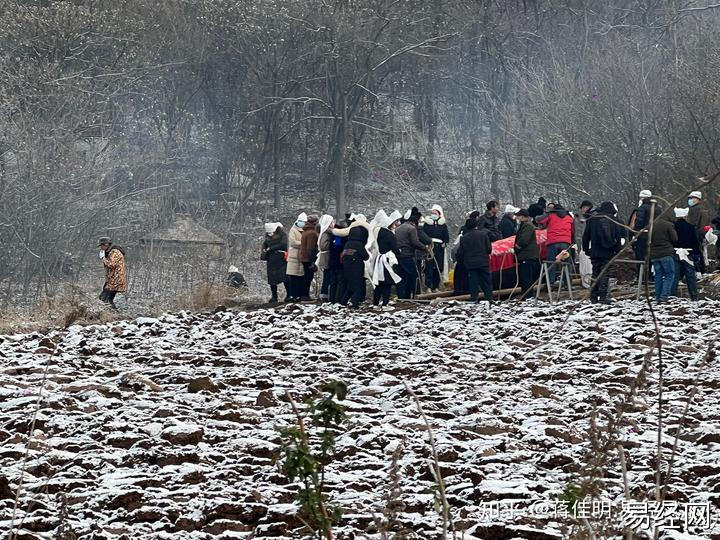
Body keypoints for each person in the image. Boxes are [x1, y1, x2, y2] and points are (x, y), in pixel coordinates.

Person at [582, 202, 624, 304]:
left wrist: (586, 249)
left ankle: (593, 296)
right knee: (605, 273)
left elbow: (585, 236)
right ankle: (603, 296)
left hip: (595, 251)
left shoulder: (592, 220)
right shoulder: (615, 221)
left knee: (595, 272)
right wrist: (617, 251)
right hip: (609, 251)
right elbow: (619, 238)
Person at [338, 215, 373, 308]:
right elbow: (365, 256)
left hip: (346, 267)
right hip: (357, 268)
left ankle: (343, 301)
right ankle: (355, 303)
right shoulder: (359, 244)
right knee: (357, 286)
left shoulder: (347, 244)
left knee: (350, 286)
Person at [455, 218, 493, 303]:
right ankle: (489, 297)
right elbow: (489, 249)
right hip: (483, 262)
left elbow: (461, 252)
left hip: (471, 263)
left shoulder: (464, 238)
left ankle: (474, 298)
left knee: (473, 281)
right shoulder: (484, 235)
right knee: (486, 280)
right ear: (476, 225)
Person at [536, 203, 575, 284]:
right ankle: (568, 283)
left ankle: (550, 283)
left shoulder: (551, 215)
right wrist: (571, 242)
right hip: (566, 242)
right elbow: (573, 231)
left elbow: (538, 220)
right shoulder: (569, 217)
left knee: (551, 263)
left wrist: (547, 212)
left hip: (553, 242)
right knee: (567, 263)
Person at [395, 207, 429, 299]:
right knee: (413, 276)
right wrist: (425, 248)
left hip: (398, 256)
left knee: (402, 277)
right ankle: (411, 295)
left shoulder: (398, 228)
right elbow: (415, 242)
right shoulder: (412, 228)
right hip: (407, 255)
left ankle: (401, 297)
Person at [371, 210, 402, 306]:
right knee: (387, 283)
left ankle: (375, 303)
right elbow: (395, 248)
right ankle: (385, 303)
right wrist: (399, 252)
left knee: (379, 283)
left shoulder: (378, 233)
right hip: (386, 260)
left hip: (378, 259)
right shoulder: (389, 235)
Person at [649, 210, 678, 304]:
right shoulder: (668, 225)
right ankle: (664, 296)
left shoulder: (650, 225)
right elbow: (675, 239)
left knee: (658, 275)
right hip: (666, 253)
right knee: (669, 274)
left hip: (654, 254)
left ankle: (658, 296)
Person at [671, 208, 700, 301]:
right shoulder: (691, 227)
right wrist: (697, 254)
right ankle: (694, 295)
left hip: (675, 252)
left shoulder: (672, 227)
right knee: (690, 276)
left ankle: (672, 295)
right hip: (688, 253)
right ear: (685, 216)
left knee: (674, 275)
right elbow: (695, 241)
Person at [451, 210, 480, 295]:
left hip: (464, 257)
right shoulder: (481, 234)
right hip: (472, 258)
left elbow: (457, 249)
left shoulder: (463, 233)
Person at [513, 209, 540, 299]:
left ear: (522, 216)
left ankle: (528, 297)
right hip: (527, 256)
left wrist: (516, 248)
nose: (517, 217)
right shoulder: (525, 226)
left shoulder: (527, 226)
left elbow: (524, 240)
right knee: (526, 279)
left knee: (526, 279)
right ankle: (527, 296)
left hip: (527, 256)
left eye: (518, 216)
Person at [423, 204, 450, 292]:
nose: (433, 214)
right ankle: (428, 286)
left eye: (435, 213)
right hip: (430, 247)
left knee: (438, 266)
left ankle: (436, 286)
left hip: (439, 248)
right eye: (432, 213)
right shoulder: (427, 224)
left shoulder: (443, 225)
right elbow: (423, 235)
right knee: (429, 267)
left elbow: (446, 237)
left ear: (439, 214)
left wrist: (444, 243)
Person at [260, 223, 288, 302]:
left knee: (285, 277)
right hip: (271, 260)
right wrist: (265, 251)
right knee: (272, 279)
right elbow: (264, 246)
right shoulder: (267, 238)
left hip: (281, 258)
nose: (270, 234)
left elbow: (283, 245)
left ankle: (289, 295)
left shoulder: (283, 235)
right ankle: (274, 296)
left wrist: (271, 248)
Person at [98, 237, 127, 310]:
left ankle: (114, 314)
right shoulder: (112, 252)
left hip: (115, 280)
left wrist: (103, 258)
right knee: (105, 299)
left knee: (105, 299)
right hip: (113, 280)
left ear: (106, 244)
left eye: (101, 246)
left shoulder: (114, 252)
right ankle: (114, 314)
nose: (101, 248)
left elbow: (111, 264)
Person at [286, 212, 307, 302]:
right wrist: (303, 244)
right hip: (294, 256)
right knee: (293, 277)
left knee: (301, 278)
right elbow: (293, 242)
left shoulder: (305, 230)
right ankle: (293, 295)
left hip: (302, 256)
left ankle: (299, 295)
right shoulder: (293, 230)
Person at [299, 214, 319, 300]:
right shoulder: (312, 233)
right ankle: (305, 295)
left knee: (306, 276)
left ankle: (303, 294)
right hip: (308, 258)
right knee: (308, 277)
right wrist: (313, 261)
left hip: (304, 256)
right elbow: (311, 248)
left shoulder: (305, 231)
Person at [315, 215, 335, 301]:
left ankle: (325, 293)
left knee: (327, 276)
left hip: (326, 256)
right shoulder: (326, 233)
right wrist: (332, 243)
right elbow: (323, 245)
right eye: (331, 222)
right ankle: (325, 294)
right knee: (327, 276)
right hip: (326, 257)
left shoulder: (326, 232)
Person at [575, 200, 594, 288]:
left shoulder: (593, 217)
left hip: (590, 242)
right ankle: (585, 282)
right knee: (583, 261)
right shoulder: (577, 217)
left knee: (588, 262)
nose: (583, 209)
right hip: (581, 242)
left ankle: (588, 282)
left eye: (584, 207)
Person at [633, 190, 654, 261]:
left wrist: (635, 232)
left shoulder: (642, 208)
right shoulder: (657, 208)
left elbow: (639, 222)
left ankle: (641, 271)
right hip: (655, 236)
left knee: (640, 257)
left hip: (643, 236)